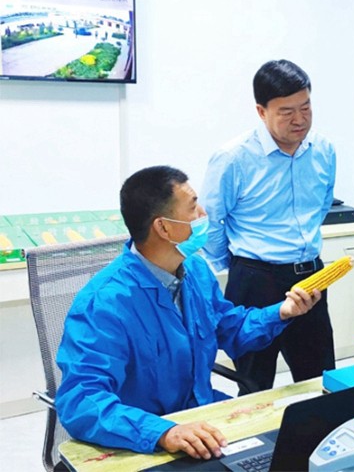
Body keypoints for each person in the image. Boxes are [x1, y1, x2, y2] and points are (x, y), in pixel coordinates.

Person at [56, 166, 321, 459]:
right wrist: (163, 432)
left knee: (287, 450)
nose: (204, 214)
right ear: (163, 228)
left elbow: (230, 328)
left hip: (200, 417)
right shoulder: (104, 303)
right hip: (144, 437)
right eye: (193, 207)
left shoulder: (194, 269)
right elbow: (81, 401)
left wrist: (281, 312)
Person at [201, 59, 336, 393]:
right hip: (255, 282)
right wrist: (238, 266)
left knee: (320, 380)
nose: (300, 119)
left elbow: (321, 207)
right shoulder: (233, 158)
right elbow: (211, 221)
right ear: (261, 112)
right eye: (286, 111)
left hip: (311, 278)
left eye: (306, 107)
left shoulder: (323, 150)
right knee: (254, 385)